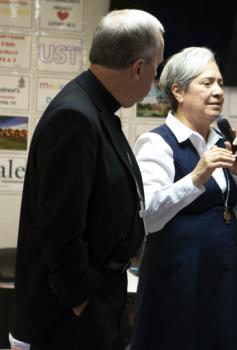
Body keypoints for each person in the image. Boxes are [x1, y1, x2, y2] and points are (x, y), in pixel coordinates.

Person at [10, 9, 164, 350]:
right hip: (68, 316)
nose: (154, 79)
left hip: (95, 300)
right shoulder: (75, 116)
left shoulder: (96, 109)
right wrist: (84, 302)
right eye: (156, 68)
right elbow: (58, 228)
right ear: (139, 67)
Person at [131, 47, 237, 350]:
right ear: (178, 91)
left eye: (220, 83)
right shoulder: (156, 143)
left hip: (221, 274)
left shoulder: (222, 140)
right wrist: (196, 177)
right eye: (207, 83)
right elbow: (149, 216)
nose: (218, 92)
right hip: (177, 278)